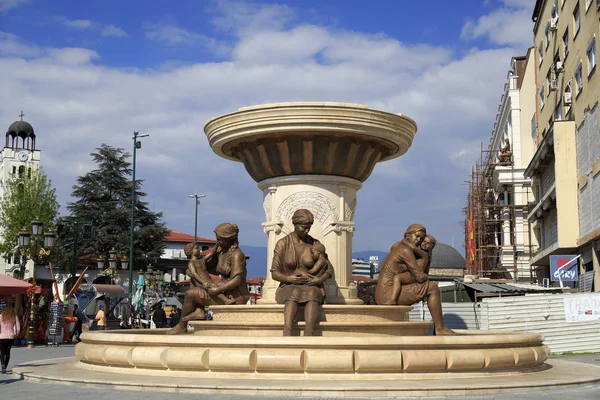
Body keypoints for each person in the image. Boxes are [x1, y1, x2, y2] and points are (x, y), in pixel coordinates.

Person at [167, 223, 249, 334]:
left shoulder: (237, 255)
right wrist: (191, 271)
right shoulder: (221, 252)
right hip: (222, 289)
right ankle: (199, 311)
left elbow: (237, 280)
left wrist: (217, 290)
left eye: (220, 239)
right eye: (217, 238)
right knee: (195, 280)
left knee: (190, 294)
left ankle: (183, 324)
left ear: (229, 239)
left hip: (233, 296)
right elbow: (205, 267)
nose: (218, 241)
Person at [375, 224, 455, 336]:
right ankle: (440, 328)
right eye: (417, 236)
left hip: (384, 293)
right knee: (432, 288)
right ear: (408, 235)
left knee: (429, 286)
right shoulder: (405, 251)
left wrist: (427, 256)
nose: (418, 240)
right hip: (388, 294)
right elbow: (420, 277)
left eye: (421, 239)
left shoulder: (399, 246)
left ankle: (439, 328)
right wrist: (425, 257)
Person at [271, 209, 333, 336]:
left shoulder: (315, 244)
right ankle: (287, 329)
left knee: (312, 292)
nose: (307, 230)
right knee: (293, 292)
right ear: (295, 224)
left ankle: (309, 331)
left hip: (311, 284)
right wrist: (289, 279)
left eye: (309, 227)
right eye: (304, 227)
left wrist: (319, 280)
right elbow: (274, 273)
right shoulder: (282, 244)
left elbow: (329, 269)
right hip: (288, 285)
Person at [0, 304, 20, 374]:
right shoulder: (14, 316)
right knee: (8, 352)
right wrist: (16, 334)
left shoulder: (1, 316)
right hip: (11, 337)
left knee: (2, 352)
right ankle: (5, 366)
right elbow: (17, 327)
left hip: (2, 337)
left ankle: (2, 365)